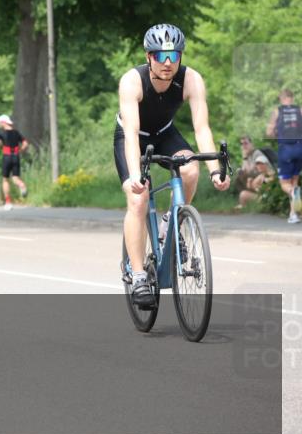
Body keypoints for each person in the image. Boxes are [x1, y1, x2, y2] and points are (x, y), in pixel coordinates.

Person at [116, 24, 230, 307]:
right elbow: (131, 133)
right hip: (132, 137)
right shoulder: (132, 81)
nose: (167, 63)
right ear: (148, 56)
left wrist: (215, 170)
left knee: (191, 168)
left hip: (164, 133)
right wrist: (134, 175)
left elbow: (201, 128)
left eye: (173, 55)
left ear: (180, 55)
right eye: (160, 56)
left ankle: (172, 221)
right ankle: (139, 274)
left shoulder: (191, 79)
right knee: (138, 198)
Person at [265, 88, 302, 224]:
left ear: (282, 98)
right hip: (300, 148)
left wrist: (275, 133)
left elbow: (269, 132)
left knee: (285, 184)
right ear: (291, 98)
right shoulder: (300, 110)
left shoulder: (277, 111)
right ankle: (294, 215)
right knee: (295, 182)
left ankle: (293, 194)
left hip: (285, 149)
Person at [0, 114, 28, 209]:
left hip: (7, 157)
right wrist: (20, 150)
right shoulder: (16, 132)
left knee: (5, 179)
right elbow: (25, 143)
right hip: (16, 156)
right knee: (15, 178)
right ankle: (22, 185)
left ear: (3, 122)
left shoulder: (1, 133)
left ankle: (8, 202)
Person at [234, 137, 275, 210]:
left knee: (247, 181)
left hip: (266, 191)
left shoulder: (257, 153)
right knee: (242, 189)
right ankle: (244, 204)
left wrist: (245, 157)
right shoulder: (248, 155)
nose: (244, 145)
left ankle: (261, 203)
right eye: (242, 144)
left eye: (246, 143)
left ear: (251, 144)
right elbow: (244, 170)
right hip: (258, 183)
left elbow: (249, 171)